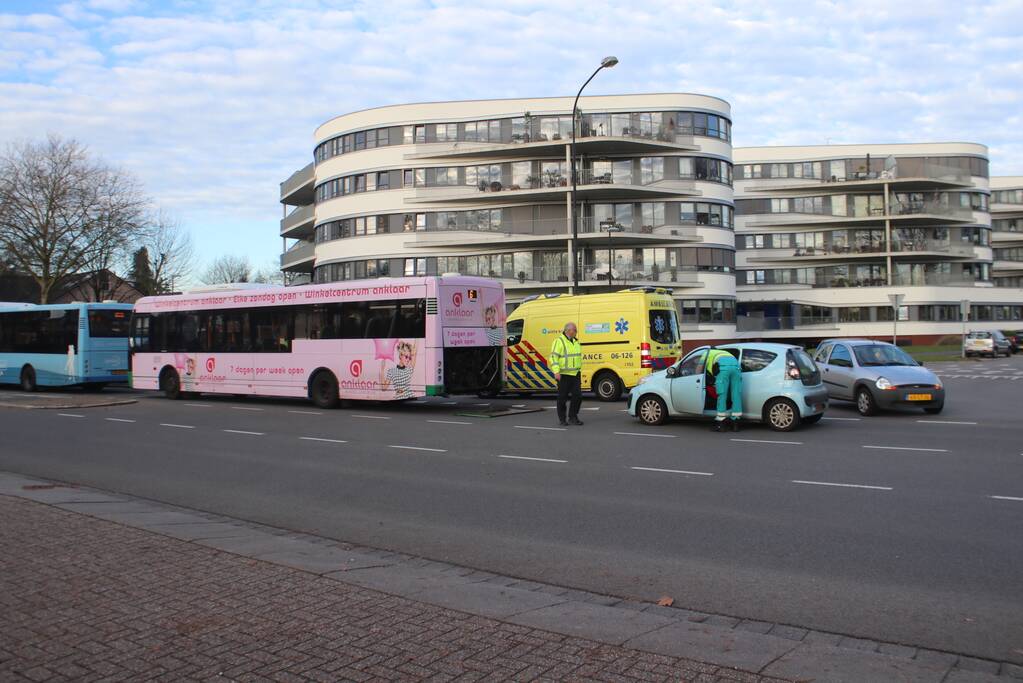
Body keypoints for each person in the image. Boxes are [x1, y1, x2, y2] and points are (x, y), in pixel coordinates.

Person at [550, 322, 583, 426]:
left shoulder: (576, 342)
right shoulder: (559, 342)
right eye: (575, 330)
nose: (576, 332)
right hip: (563, 374)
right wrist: (556, 371)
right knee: (562, 398)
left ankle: (573, 417)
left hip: (575, 373)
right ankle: (562, 419)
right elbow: (553, 357)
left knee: (578, 396)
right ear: (568, 331)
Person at [707, 348, 742, 431]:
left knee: (722, 394)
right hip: (736, 368)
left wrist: (713, 380)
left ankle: (721, 424)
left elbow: (699, 369)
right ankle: (735, 424)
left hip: (723, 369)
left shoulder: (706, 353)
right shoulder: (725, 352)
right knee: (736, 394)